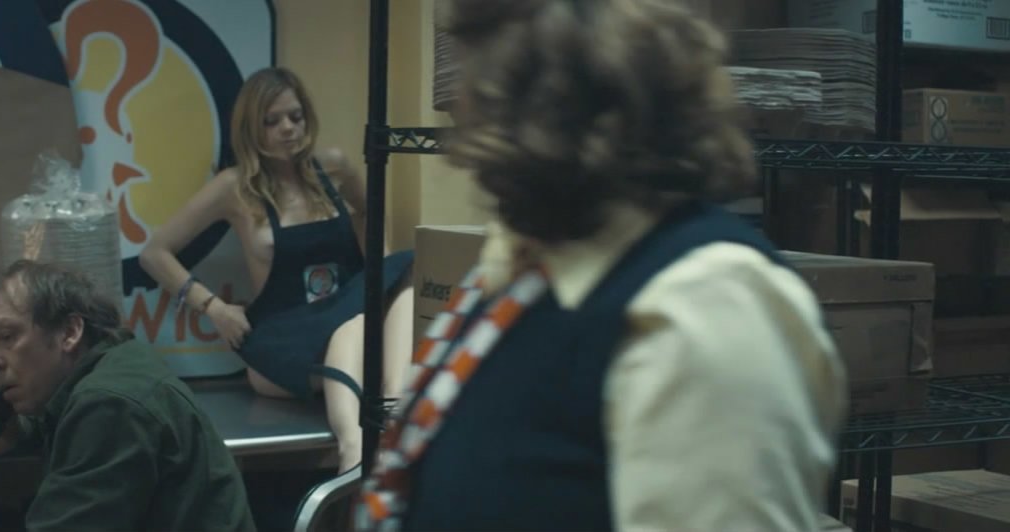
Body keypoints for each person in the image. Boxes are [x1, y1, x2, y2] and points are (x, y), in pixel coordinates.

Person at [357, 0, 848, 530]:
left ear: (544, 95)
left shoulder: (709, 306)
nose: (464, 101)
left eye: (478, 61)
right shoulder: (528, 260)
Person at [139, 67, 416, 475]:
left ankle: (397, 412)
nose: (288, 128)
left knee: (405, 266)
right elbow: (154, 253)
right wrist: (214, 307)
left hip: (347, 312)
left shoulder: (334, 167)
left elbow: (368, 213)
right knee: (352, 328)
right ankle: (354, 453)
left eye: (295, 116)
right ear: (252, 129)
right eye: (272, 121)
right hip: (284, 332)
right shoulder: (234, 186)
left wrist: (381, 273)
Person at [0, 259, 255, 532]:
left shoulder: (109, 403)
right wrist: (17, 433)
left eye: (6, 336)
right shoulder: (110, 363)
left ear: (69, 332)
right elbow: (61, 420)